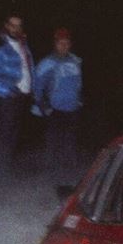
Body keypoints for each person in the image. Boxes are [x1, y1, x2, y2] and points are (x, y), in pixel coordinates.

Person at [0, 14, 34, 180]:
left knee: (13, 137)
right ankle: (0, 176)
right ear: (6, 26)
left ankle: (6, 172)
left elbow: (29, 68)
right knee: (3, 137)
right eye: (12, 25)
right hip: (6, 98)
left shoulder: (23, 45)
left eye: (19, 25)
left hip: (22, 97)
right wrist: (7, 91)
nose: (16, 29)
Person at [34, 28, 83, 183]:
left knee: (70, 142)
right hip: (54, 108)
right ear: (55, 44)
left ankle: (70, 175)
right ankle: (51, 176)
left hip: (72, 108)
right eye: (61, 43)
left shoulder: (75, 61)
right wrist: (42, 104)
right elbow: (37, 85)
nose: (64, 46)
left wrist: (79, 99)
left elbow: (78, 83)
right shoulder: (47, 62)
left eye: (66, 43)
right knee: (53, 142)